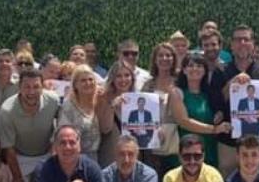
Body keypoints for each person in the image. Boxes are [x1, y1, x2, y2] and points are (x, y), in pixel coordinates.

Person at [0, 69, 60, 182]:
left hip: (46, 154)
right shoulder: (6, 110)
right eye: (27, 87)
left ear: (43, 87)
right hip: (19, 157)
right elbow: (8, 148)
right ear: (19, 88)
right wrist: (17, 179)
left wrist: (53, 159)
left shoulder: (54, 101)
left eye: (36, 86)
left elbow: (61, 130)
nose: (31, 91)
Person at [217, 25, 259, 175]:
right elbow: (215, 103)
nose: (242, 43)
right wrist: (232, 84)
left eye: (246, 39)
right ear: (232, 45)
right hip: (229, 144)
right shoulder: (220, 71)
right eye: (238, 39)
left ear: (253, 44)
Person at [176, 54, 230, 168]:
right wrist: (214, 129)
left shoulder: (209, 94)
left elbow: (219, 110)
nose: (195, 69)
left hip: (210, 149)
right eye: (190, 66)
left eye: (199, 66)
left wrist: (219, 115)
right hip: (188, 153)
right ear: (184, 70)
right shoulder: (177, 93)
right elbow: (184, 121)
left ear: (205, 71)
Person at [142, 42, 181, 172]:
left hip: (177, 143)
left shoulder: (181, 81)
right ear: (155, 59)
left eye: (168, 55)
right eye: (161, 55)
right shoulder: (148, 85)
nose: (165, 59)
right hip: (152, 146)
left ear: (174, 59)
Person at [59, 64, 102, 161]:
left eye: (91, 79)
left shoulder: (99, 102)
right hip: (74, 158)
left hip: (97, 156)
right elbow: (62, 136)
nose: (88, 83)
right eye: (83, 80)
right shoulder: (68, 107)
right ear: (75, 85)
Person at [99, 61, 136, 166]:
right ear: (112, 79)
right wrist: (112, 106)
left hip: (133, 157)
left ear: (132, 78)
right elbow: (105, 129)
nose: (123, 79)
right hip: (111, 157)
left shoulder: (139, 99)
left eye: (127, 75)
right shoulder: (104, 98)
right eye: (118, 76)